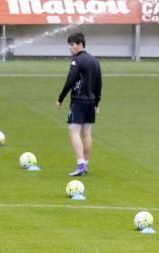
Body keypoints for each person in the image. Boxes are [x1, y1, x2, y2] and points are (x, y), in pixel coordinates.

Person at [56, 32, 101, 177]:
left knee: (74, 132)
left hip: (79, 101)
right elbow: (99, 83)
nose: (70, 48)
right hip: (91, 101)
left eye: (72, 45)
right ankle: (86, 164)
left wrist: (61, 98)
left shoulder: (77, 60)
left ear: (80, 45)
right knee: (87, 133)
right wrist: (97, 102)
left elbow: (71, 80)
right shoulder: (95, 61)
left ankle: (81, 164)